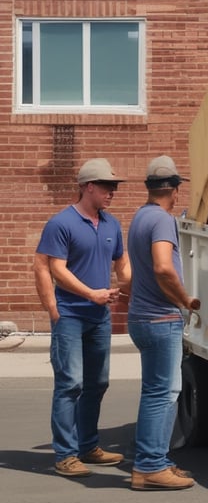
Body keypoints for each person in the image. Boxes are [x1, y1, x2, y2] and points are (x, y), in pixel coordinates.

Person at [35, 158, 130, 477]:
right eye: (107, 186)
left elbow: (122, 265)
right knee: (70, 384)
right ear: (88, 187)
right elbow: (56, 269)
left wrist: (139, 283)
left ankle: (88, 446)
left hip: (98, 316)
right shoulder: (61, 224)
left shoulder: (112, 224)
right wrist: (92, 293)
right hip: (70, 315)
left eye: (114, 187)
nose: (112, 192)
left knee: (97, 382)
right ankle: (65, 454)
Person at [128, 155, 200, 490]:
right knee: (163, 393)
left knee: (153, 392)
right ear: (173, 188)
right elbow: (162, 267)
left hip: (142, 317)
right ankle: (150, 466)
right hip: (160, 319)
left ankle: (156, 460)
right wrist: (186, 301)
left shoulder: (140, 216)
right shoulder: (161, 220)